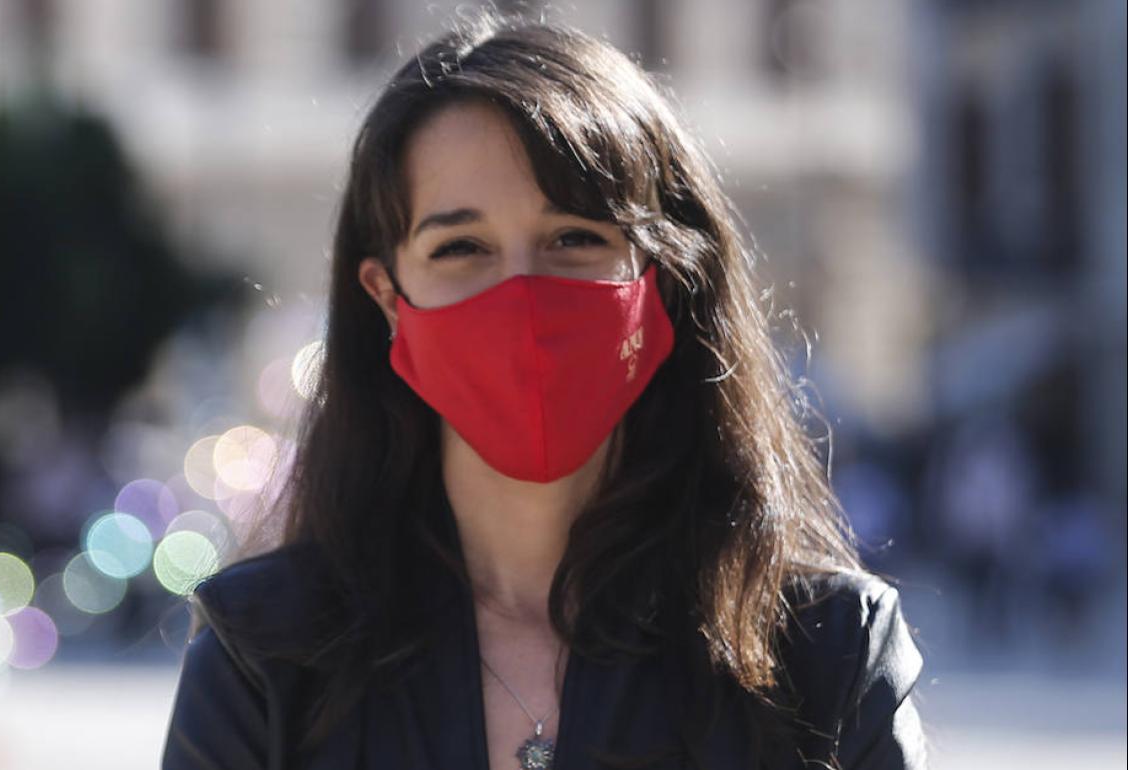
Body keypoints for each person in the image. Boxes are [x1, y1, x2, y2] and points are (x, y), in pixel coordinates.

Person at [162, 12, 927, 770]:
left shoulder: (830, 654)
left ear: (664, 278)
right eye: (462, 247)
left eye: (575, 238)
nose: (523, 293)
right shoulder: (263, 656)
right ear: (388, 297)